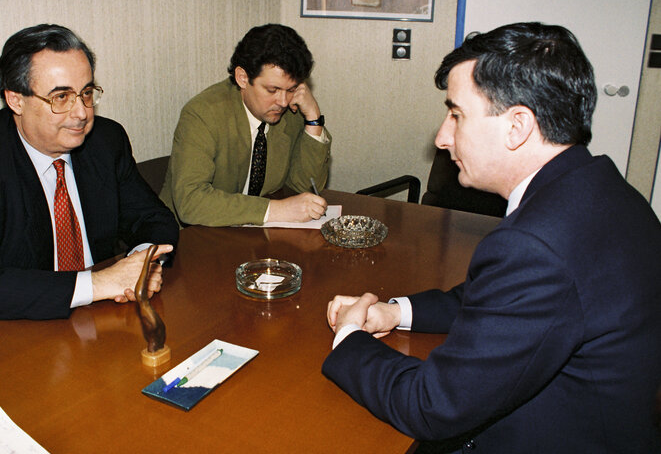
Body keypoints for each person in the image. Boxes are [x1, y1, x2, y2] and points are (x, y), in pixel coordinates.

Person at [323, 23, 661, 453]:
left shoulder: (538, 246)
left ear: (517, 126)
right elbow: (496, 299)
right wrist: (395, 313)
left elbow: (431, 406)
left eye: (457, 114)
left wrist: (349, 336)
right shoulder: (600, 189)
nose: (442, 138)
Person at [0, 24, 179, 321]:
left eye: (86, 93)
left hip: (94, 320)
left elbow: (153, 218)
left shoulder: (105, 141)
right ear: (16, 100)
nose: (82, 113)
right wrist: (100, 283)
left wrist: (143, 264)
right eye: (61, 97)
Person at [159, 24, 331, 227]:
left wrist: (313, 119)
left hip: (250, 235)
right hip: (191, 237)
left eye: (292, 89)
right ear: (242, 78)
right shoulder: (203, 114)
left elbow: (304, 187)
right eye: (272, 89)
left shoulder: (289, 112)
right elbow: (190, 202)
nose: (283, 101)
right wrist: (277, 210)